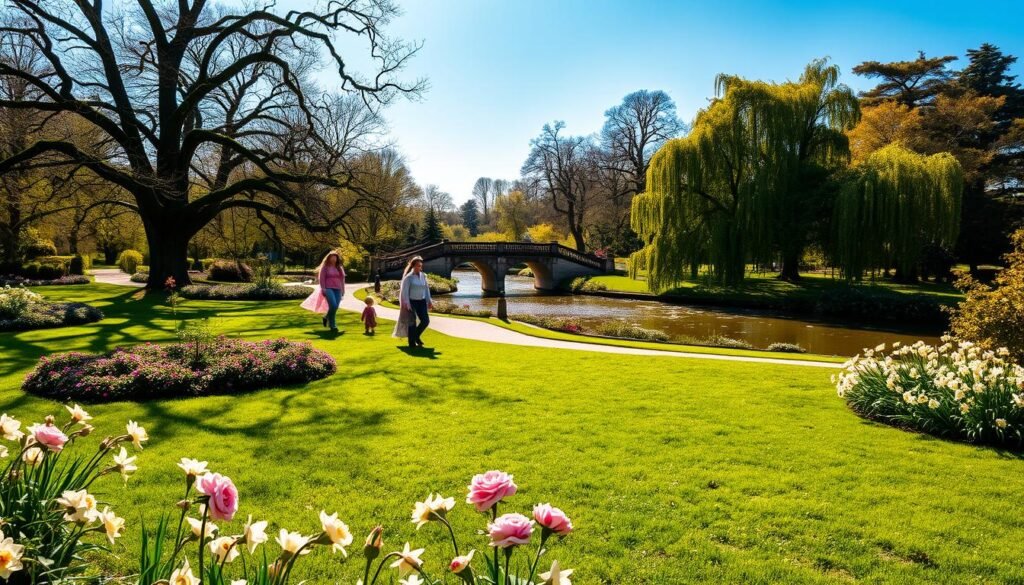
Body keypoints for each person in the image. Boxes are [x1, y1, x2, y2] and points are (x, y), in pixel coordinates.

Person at [394, 256, 432, 347]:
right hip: (411, 302)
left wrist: (429, 301)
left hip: (422, 301)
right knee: (412, 322)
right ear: (413, 266)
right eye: (418, 265)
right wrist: (407, 303)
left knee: (425, 321)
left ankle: (416, 336)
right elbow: (404, 292)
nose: (420, 267)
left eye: (420, 265)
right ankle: (411, 343)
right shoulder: (408, 278)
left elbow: (426, 289)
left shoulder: (423, 276)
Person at [316, 250, 346, 333]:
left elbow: (342, 279)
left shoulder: (339, 267)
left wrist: (343, 290)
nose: (333, 259)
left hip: (338, 289)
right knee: (333, 305)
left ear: (337, 259)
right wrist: (323, 288)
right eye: (332, 258)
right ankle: (333, 326)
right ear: (328, 258)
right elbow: (321, 278)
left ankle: (326, 317)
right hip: (328, 288)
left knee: (335, 307)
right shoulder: (325, 267)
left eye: (335, 258)